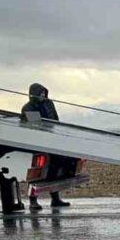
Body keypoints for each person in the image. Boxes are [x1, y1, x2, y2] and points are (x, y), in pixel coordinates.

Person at [22, 83, 71, 211]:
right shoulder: (28, 108)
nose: (43, 95)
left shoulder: (49, 104)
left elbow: (55, 119)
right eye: (40, 93)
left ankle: (55, 198)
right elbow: (30, 126)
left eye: (44, 93)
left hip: (52, 141)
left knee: (54, 168)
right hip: (36, 144)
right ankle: (33, 201)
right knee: (35, 174)